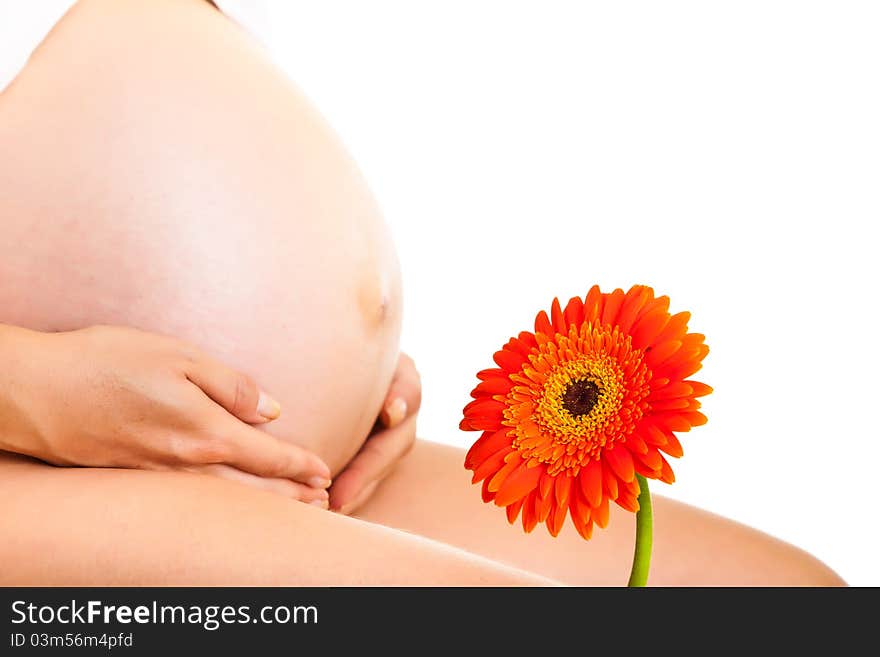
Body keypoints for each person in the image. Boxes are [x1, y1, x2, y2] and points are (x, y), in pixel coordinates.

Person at [0, 0, 844, 586]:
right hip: (38, 471)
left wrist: (342, 360)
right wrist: (35, 389)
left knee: (794, 601)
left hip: (312, 464)